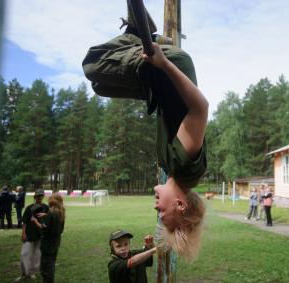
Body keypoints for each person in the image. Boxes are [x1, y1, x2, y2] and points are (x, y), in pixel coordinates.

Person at [83, 6, 208, 261]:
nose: (156, 208)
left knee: (99, 85)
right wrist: (162, 61)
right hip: (170, 68)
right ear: (180, 206)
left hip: (157, 85)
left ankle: (145, 35)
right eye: (163, 214)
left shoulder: (172, 168)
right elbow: (200, 108)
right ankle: (147, 38)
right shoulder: (186, 167)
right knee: (93, 64)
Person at [15, 189, 49, 282]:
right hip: (29, 234)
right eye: (38, 196)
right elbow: (24, 222)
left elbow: (49, 219)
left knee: (36, 254)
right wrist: (23, 233)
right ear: (35, 197)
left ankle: (32, 272)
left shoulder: (46, 207)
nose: (39, 197)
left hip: (40, 234)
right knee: (24, 254)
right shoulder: (29, 208)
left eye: (41, 196)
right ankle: (24, 273)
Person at [32, 193, 66, 283]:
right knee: (52, 261)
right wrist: (46, 215)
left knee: (46, 265)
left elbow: (43, 227)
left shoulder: (51, 213)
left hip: (48, 243)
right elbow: (61, 229)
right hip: (56, 241)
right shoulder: (61, 212)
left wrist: (35, 221)